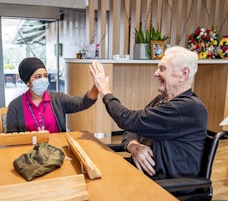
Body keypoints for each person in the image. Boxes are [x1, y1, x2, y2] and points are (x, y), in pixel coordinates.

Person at [89, 46, 208, 180]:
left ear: (183, 74)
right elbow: (132, 128)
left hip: (163, 186)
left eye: (162, 69)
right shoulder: (162, 101)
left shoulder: (190, 108)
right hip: (141, 174)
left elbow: (127, 119)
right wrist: (133, 145)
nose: (156, 73)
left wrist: (104, 90)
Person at [6, 57, 98, 133]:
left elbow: (83, 102)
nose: (43, 80)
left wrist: (97, 86)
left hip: (56, 151)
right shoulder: (15, 106)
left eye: (45, 76)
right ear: (27, 82)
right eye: (38, 77)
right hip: (29, 153)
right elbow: (11, 138)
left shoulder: (57, 99)